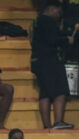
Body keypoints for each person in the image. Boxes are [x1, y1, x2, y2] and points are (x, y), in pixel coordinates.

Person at [31, 0, 76, 129]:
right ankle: (58, 121)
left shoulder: (36, 22)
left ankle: (47, 125)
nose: (59, 14)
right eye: (58, 11)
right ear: (50, 8)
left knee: (44, 93)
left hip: (38, 61)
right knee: (60, 91)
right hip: (50, 61)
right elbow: (52, 41)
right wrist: (67, 39)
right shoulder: (47, 21)